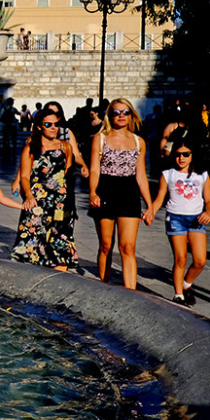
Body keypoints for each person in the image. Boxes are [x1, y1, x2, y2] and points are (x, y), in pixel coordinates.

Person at [89, 98, 155, 290]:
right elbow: (95, 169)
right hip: (105, 190)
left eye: (125, 112)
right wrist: (92, 192)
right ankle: (104, 286)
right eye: (116, 112)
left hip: (129, 192)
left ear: (131, 115)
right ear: (109, 116)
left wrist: (150, 205)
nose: (121, 116)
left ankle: (131, 292)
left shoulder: (138, 142)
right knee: (106, 245)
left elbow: (141, 175)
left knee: (127, 247)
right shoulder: (100, 138)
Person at [149, 140, 210, 307]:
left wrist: (209, 212)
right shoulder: (168, 174)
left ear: (193, 155)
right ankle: (178, 295)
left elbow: (209, 200)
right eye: (178, 154)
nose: (181, 158)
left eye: (186, 154)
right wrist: (151, 212)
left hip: (196, 219)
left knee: (200, 260)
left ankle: (186, 284)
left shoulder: (202, 175)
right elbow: (159, 199)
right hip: (175, 218)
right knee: (180, 259)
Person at [11, 110, 78, 270]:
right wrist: (28, 195)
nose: (53, 128)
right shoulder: (31, 147)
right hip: (38, 203)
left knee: (60, 244)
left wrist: (70, 203)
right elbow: (25, 176)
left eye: (56, 124)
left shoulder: (65, 146)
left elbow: (67, 175)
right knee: (34, 245)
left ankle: (59, 281)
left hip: (59, 203)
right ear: (40, 126)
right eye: (48, 124)